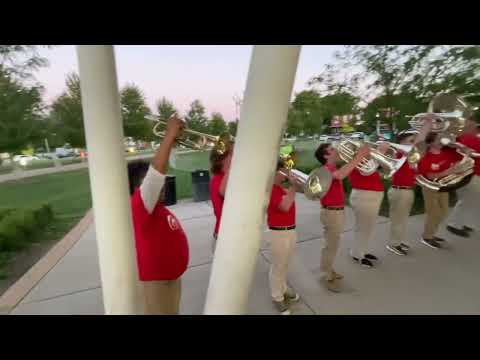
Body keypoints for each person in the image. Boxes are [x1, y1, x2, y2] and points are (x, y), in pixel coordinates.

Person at [128, 115, 189, 315]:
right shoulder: (139, 205)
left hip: (170, 279)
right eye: (151, 183)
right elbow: (155, 175)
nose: (162, 184)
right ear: (139, 187)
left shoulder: (156, 207)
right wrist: (170, 135)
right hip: (156, 283)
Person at [314, 143, 370, 292]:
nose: (336, 150)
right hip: (331, 213)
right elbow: (340, 175)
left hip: (336, 211)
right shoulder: (325, 170)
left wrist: (358, 157)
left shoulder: (333, 168)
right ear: (326, 155)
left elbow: (343, 172)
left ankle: (329, 270)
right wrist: (359, 157)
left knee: (333, 244)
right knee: (330, 245)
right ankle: (326, 275)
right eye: (332, 149)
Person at [386, 121, 433, 256]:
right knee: (398, 219)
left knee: (402, 219)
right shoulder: (401, 154)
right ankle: (394, 244)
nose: (414, 143)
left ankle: (397, 241)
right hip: (400, 191)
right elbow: (420, 141)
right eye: (410, 141)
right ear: (401, 142)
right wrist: (427, 124)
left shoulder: (410, 156)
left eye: (413, 141)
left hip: (406, 190)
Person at [417, 132, 464, 249]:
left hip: (443, 187)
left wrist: (456, 146)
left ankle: (431, 234)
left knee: (443, 212)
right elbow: (430, 175)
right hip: (429, 187)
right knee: (434, 213)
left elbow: (464, 155)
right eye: (438, 139)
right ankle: (427, 237)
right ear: (431, 143)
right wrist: (449, 171)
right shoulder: (425, 158)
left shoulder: (446, 153)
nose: (442, 140)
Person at [348, 142, 391, 268]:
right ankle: (357, 254)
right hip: (364, 197)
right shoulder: (357, 162)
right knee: (363, 228)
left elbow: (388, 169)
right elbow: (366, 172)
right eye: (366, 150)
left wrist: (380, 156)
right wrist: (380, 152)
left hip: (370, 197)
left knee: (367, 228)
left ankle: (362, 251)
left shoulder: (370, 162)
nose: (369, 152)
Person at [266, 160, 300, 315]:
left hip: (289, 231)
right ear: (276, 172)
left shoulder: (280, 188)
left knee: (285, 264)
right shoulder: (270, 190)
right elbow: (284, 207)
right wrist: (293, 186)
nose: (287, 173)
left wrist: (292, 188)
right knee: (278, 267)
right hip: (278, 233)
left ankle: (283, 288)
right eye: (284, 170)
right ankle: (277, 297)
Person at [446, 113, 480, 237]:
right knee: (467, 200)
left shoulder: (460, 139)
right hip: (471, 174)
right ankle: (454, 224)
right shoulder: (471, 139)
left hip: (462, 174)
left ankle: (461, 223)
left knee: (466, 200)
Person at [209, 142, 234, 253]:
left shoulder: (232, 177)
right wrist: (231, 167)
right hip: (224, 238)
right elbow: (223, 192)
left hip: (234, 235)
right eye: (232, 154)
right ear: (221, 159)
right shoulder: (217, 179)